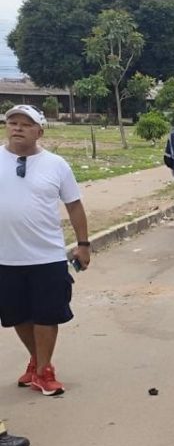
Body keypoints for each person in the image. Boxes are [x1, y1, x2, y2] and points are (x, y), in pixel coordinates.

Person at [0, 104, 90, 397]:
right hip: (6, 257)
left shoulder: (56, 165)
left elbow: (74, 205)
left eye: (25, 124)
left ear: (39, 131)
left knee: (47, 314)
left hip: (47, 255)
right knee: (17, 316)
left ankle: (43, 370)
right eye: (12, 122)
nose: (17, 128)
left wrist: (83, 244)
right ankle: (37, 359)